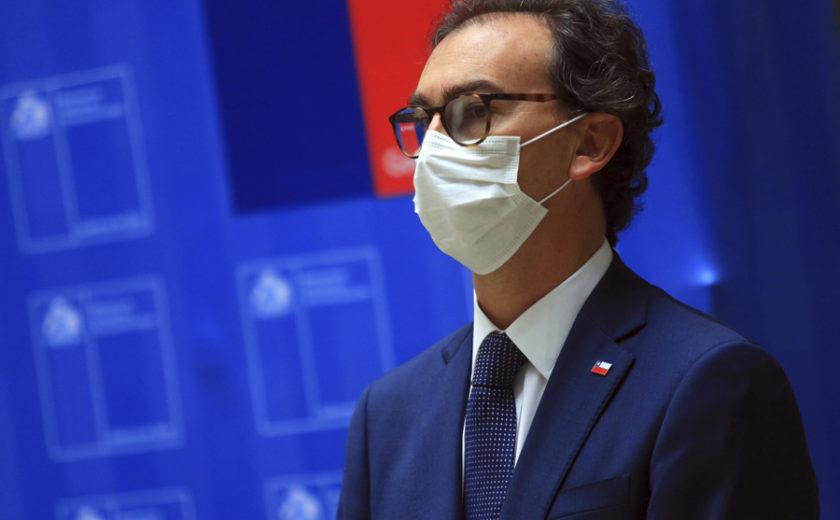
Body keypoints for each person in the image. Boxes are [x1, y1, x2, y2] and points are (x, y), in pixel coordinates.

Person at [338, 0, 820, 518]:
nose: (434, 148)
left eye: (473, 111)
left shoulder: (707, 381)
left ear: (589, 142)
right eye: (422, 119)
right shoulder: (387, 414)